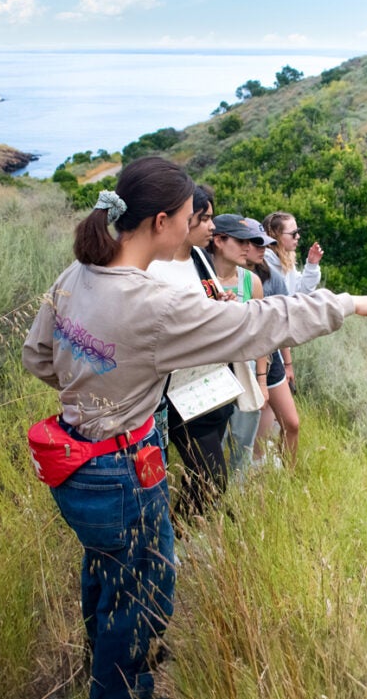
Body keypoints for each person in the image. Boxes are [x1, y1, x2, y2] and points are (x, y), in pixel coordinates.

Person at [22, 156, 367, 699]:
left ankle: (99, 663)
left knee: (105, 575)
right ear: (162, 222)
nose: (192, 226)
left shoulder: (76, 275)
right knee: (142, 599)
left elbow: (39, 357)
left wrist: (95, 389)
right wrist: (350, 304)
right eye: (187, 216)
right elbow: (260, 322)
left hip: (73, 462)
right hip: (123, 470)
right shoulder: (154, 304)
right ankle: (117, 686)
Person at [146, 185, 236, 523]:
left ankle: (182, 538)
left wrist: (222, 304)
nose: (212, 227)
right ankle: (178, 540)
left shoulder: (199, 258)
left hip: (210, 382)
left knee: (202, 475)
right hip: (178, 390)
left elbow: (208, 300)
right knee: (212, 478)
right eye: (205, 218)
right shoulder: (156, 268)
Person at [205, 214, 271, 476]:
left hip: (244, 375)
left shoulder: (250, 281)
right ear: (219, 241)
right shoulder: (200, 277)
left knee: (242, 444)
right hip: (210, 378)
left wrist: (262, 382)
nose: (248, 248)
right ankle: (212, 499)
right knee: (212, 448)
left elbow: (261, 336)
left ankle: (236, 500)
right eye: (242, 241)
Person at [255, 211, 322, 462]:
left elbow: (298, 294)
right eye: (292, 233)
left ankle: (263, 464)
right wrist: (287, 362)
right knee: (274, 417)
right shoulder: (268, 266)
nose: (297, 237)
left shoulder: (284, 261)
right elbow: (283, 312)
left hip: (277, 348)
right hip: (270, 350)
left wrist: (312, 264)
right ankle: (261, 465)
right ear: (274, 235)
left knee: (272, 416)